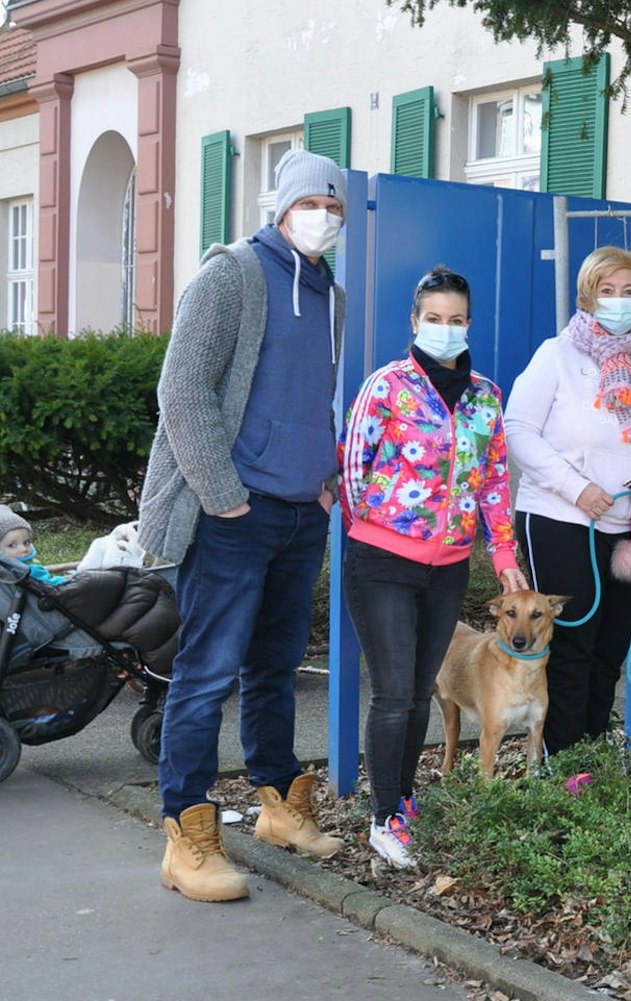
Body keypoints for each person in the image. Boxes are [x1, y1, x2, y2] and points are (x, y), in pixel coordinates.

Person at [136, 149, 349, 903]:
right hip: (235, 514)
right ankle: (186, 836)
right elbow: (182, 388)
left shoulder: (331, 293)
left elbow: (316, 398)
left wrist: (324, 485)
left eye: (335, 206)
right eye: (311, 203)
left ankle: (279, 805)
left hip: (299, 515)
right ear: (282, 205)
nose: (323, 216)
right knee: (206, 674)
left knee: (276, 664)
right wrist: (225, 495)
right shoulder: (231, 275)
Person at [339, 266, 531, 868]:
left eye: (457, 320)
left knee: (422, 691)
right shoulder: (388, 385)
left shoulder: (485, 395)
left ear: (469, 323)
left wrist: (504, 555)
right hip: (383, 562)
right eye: (434, 319)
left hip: (447, 568)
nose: (446, 330)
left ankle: (405, 801)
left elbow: (495, 479)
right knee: (394, 694)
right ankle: (385, 817)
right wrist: (370, 524)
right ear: (415, 322)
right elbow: (352, 460)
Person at [506, 246, 631, 754]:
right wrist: (577, 489)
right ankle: (565, 766)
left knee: (611, 649)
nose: (617, 301)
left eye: (628, 292)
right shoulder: (557, 355)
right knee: (572, 648)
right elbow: (518, 430)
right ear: (588, 297)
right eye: (606, 292)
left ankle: (593, 760)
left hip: (630, 529)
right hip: (561, 519)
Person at [0, 504, 65, 585]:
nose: (23, 549)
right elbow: (50, 585)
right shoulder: (30, 570)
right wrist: (64, 581)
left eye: (26, 542)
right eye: (12, 545)